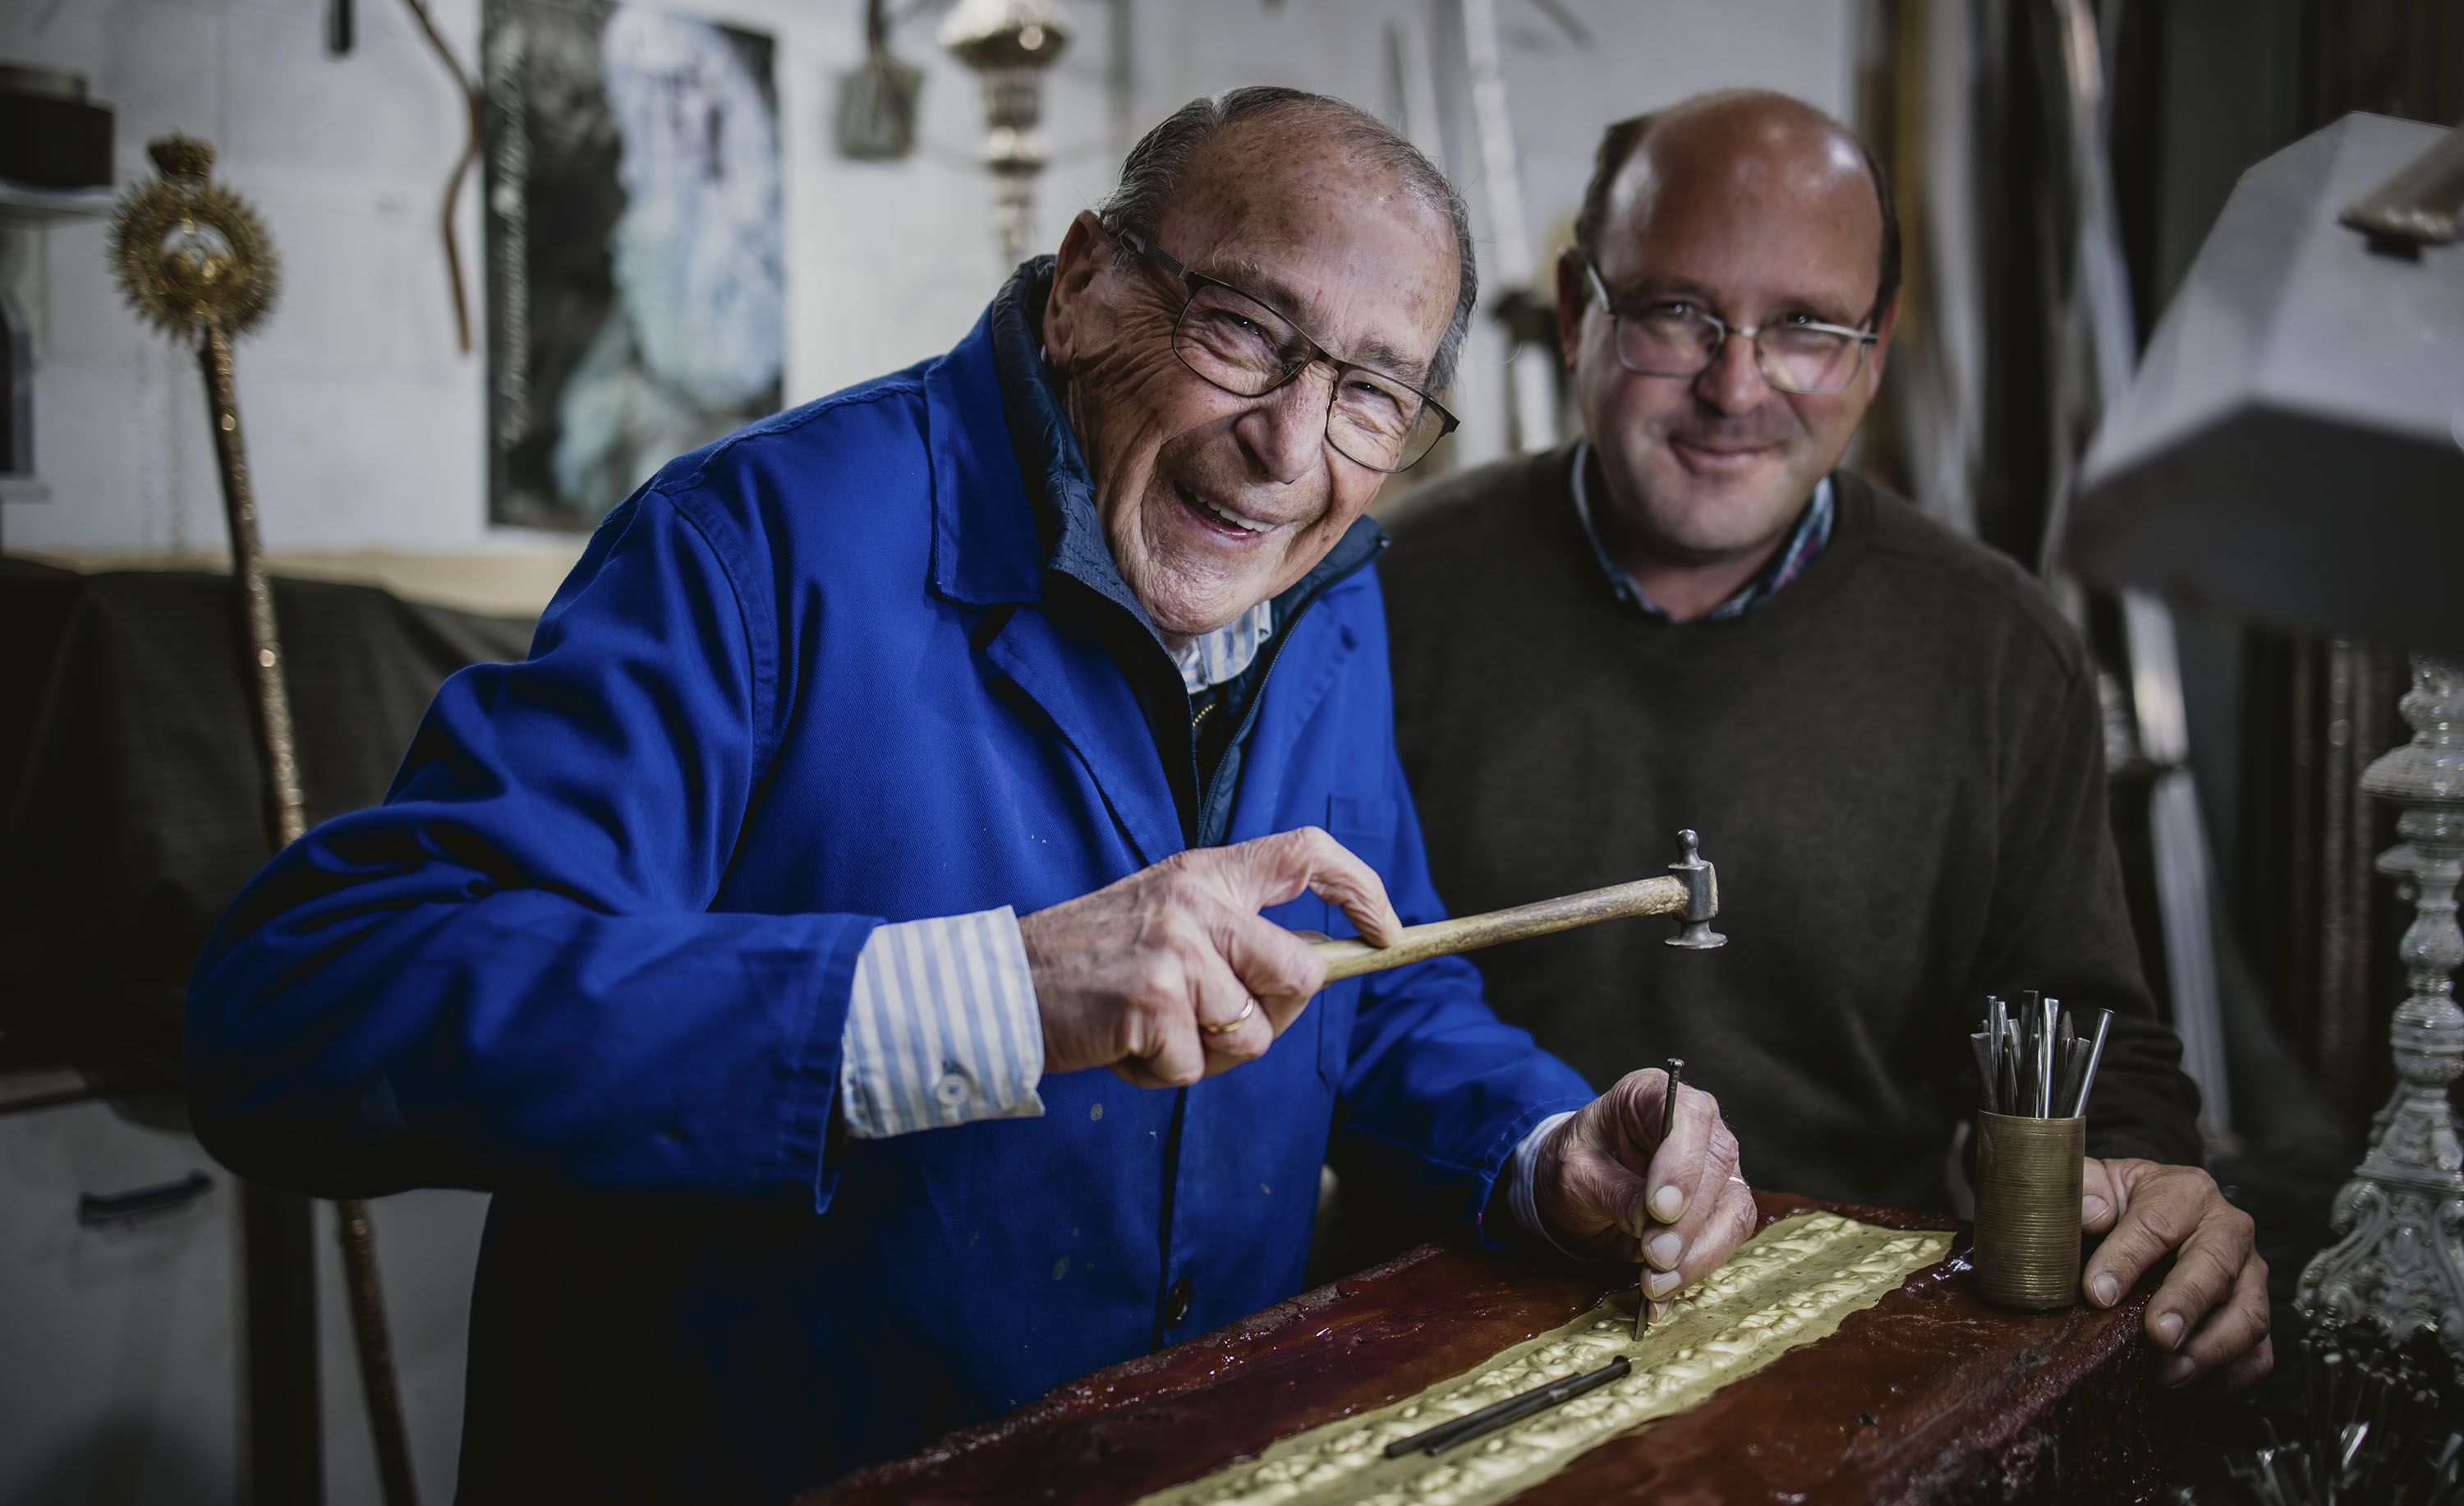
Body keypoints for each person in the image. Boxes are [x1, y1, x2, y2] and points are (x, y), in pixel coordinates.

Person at [184, 88, 1756, 1500]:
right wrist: (990, 992)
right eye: (1240, 331)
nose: (1288, 445)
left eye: (1370, 390)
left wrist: (1546, 1154)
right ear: (1084, 286)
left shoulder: (1324, 587)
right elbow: (303, 1014)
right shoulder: (755, 547)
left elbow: (1363, 984)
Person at [1380, 90, 2270, 1392]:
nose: (1737, 387)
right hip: (1420, 1340)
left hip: (1854, 1356)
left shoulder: (1998, 649)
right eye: (1678, 312)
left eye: (1806, 325)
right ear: (1579, 310)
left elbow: (2084, 1041)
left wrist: (2147, 1190)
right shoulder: (1376, 604)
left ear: (1877, 345)